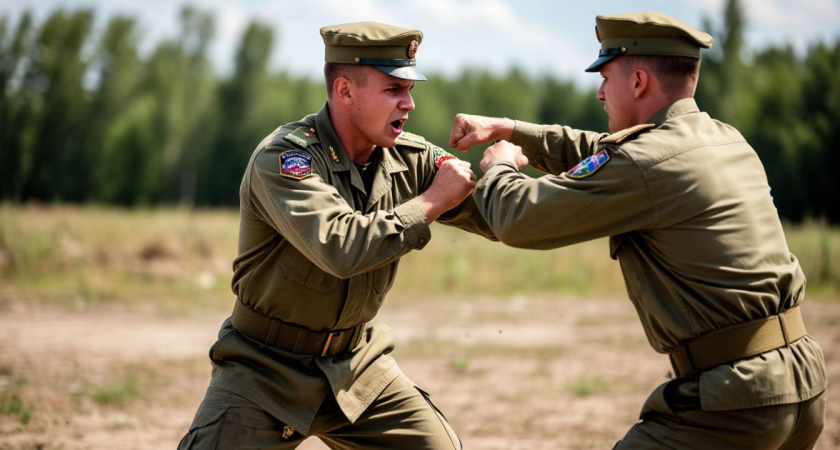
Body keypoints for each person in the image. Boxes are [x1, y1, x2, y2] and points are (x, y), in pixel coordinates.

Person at [449, 12, 827, 449]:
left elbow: (519, 218)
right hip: (800, 384)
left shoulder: (649, 161)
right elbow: (603, 153)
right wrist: (509, 129)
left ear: (638, 81)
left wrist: (498, 168)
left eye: (606, 76)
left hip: (736, 401)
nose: (599, 92)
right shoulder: (723, 138)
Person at [178, 21, 495, 449]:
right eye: (393, 90)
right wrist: (432, 202)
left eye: (410, 90)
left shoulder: (409, 156)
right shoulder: (285, 159)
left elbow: (498, 213)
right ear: (344, 91)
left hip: (357, 367)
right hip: (266, 370)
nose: (409, 104)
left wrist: (510, 149)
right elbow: (341, 245)